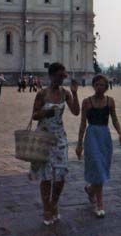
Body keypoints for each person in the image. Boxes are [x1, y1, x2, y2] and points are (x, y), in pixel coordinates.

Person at [30, 62, 80, 226]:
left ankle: (54, 202)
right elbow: (35, 115)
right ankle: (46, 207)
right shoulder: (42, 94)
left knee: (60, 175)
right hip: (43, 137)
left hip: (59, 137)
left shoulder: (65, 93)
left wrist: (75, 93)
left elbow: (76, 111)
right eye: (59, 76)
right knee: (45, 176)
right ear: (51, 76)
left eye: (64, 76)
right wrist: (45, 112)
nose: (62, 79)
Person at [76, 74, 121, 218]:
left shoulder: (110, 102)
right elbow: (83, 124)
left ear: (106, 87)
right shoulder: (87, 102)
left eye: (102, 85)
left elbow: (114, 119)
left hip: (104, 136)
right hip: (91, 136)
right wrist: (79, 144)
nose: (99, 87)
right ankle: (100, 204)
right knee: (97, 166)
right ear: (93, 85)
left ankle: (91, 190)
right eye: (97, 84)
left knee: (102, 167)